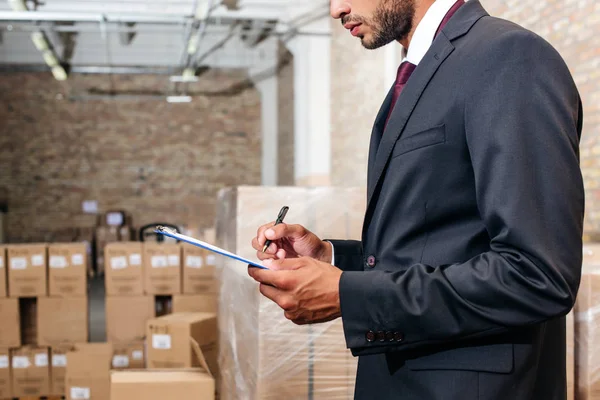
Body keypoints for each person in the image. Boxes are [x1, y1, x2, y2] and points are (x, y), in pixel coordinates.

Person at [248, 0, 585, 398]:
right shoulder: (419, 73)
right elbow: (441, 246)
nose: (336, 9)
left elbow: (537, 275)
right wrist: (332, 260)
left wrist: (348, 296)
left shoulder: (510, 58)